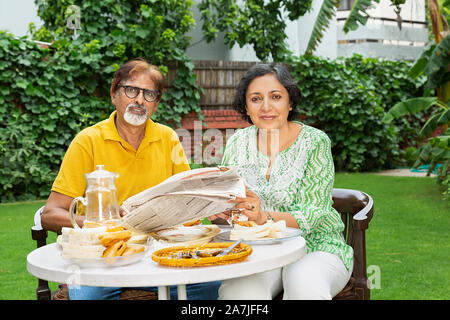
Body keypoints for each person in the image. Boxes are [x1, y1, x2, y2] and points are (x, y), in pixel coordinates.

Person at [41, 57, 220, 300]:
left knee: (213, 285)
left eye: (149, 94)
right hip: (105, 258)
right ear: (114, 94)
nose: (139, 100)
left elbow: (188, 205)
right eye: (131, 90)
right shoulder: (88, 141)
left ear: (156, 103)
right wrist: (102, 225)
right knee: (87, 297)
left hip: (160, 254)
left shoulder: (168, 138)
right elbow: (50, 215)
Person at [210, 63, 353, 300]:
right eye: (256, 99)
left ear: (290, 102)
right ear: (246, 106)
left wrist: (263, 217)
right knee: (240, 292)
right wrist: (218, 209)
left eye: (275, 97)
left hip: (315, 247)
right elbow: (230, 200)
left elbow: (314, 213)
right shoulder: (237, 142)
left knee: (303, 284)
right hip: (260, 249)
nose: (266, 107)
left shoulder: (315, 142)